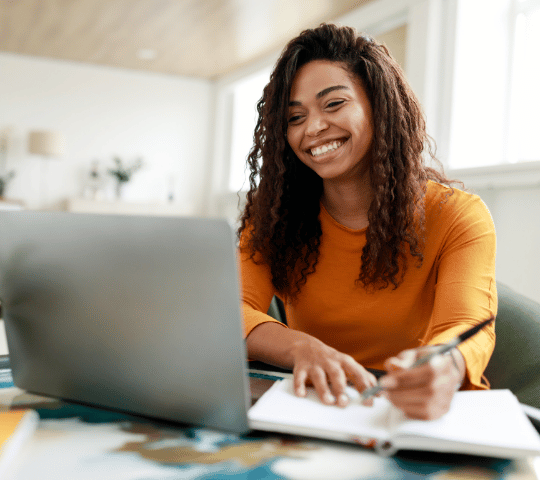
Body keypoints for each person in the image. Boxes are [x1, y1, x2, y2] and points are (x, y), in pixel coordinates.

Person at [238, 24, 496, 420]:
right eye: (294, 117)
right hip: (313, 407)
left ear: (379, 104)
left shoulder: (458, 215)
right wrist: (300, 347)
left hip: (408, 415)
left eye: (334, 104)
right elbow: (232, 309)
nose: (313, 128)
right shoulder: (273, 215)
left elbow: (466, 326)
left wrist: (446, 366)